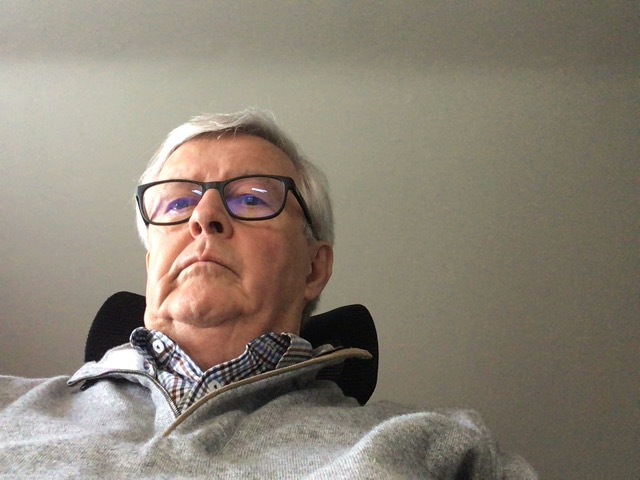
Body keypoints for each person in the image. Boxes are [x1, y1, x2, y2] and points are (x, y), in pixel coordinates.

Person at [0, 109, 536, 478]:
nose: (204, 217)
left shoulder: (442, 449)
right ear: (150, 264)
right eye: (177, 203)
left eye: (252, 199)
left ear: (313, 269)